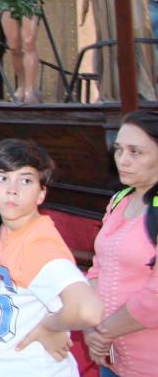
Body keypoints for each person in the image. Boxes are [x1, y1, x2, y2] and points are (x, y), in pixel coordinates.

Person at [0, 138, 103, 376]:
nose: (12, 189)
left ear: (41, 194)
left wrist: (48, 326)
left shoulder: (38, 245)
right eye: (3, 177)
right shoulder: (10, 230)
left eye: (25, 180)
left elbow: (88, 309)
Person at [82, 110, 158, 377]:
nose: (122, 160)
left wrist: (104, 331)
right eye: (118, 149)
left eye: (136, 152)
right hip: (112, 358)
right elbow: (98, 268)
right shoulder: (119, 200)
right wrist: (90, 324)